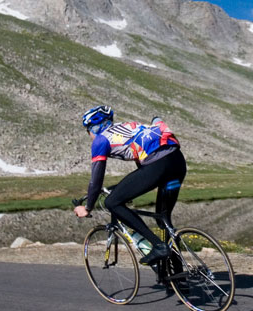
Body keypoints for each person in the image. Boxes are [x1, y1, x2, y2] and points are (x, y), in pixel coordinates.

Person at [73, 105, 186, 269]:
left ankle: (158, 246)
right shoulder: (130, 127)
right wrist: (120, 188)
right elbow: (142, 172)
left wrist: (88, 206)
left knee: (112, 203)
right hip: (177, 162)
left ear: (94, 127)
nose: (89, 134)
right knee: (163, 219)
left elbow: (96, 179)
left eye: (87, 130)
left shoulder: (100, 140)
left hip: (158, 165)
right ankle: (178, 274)